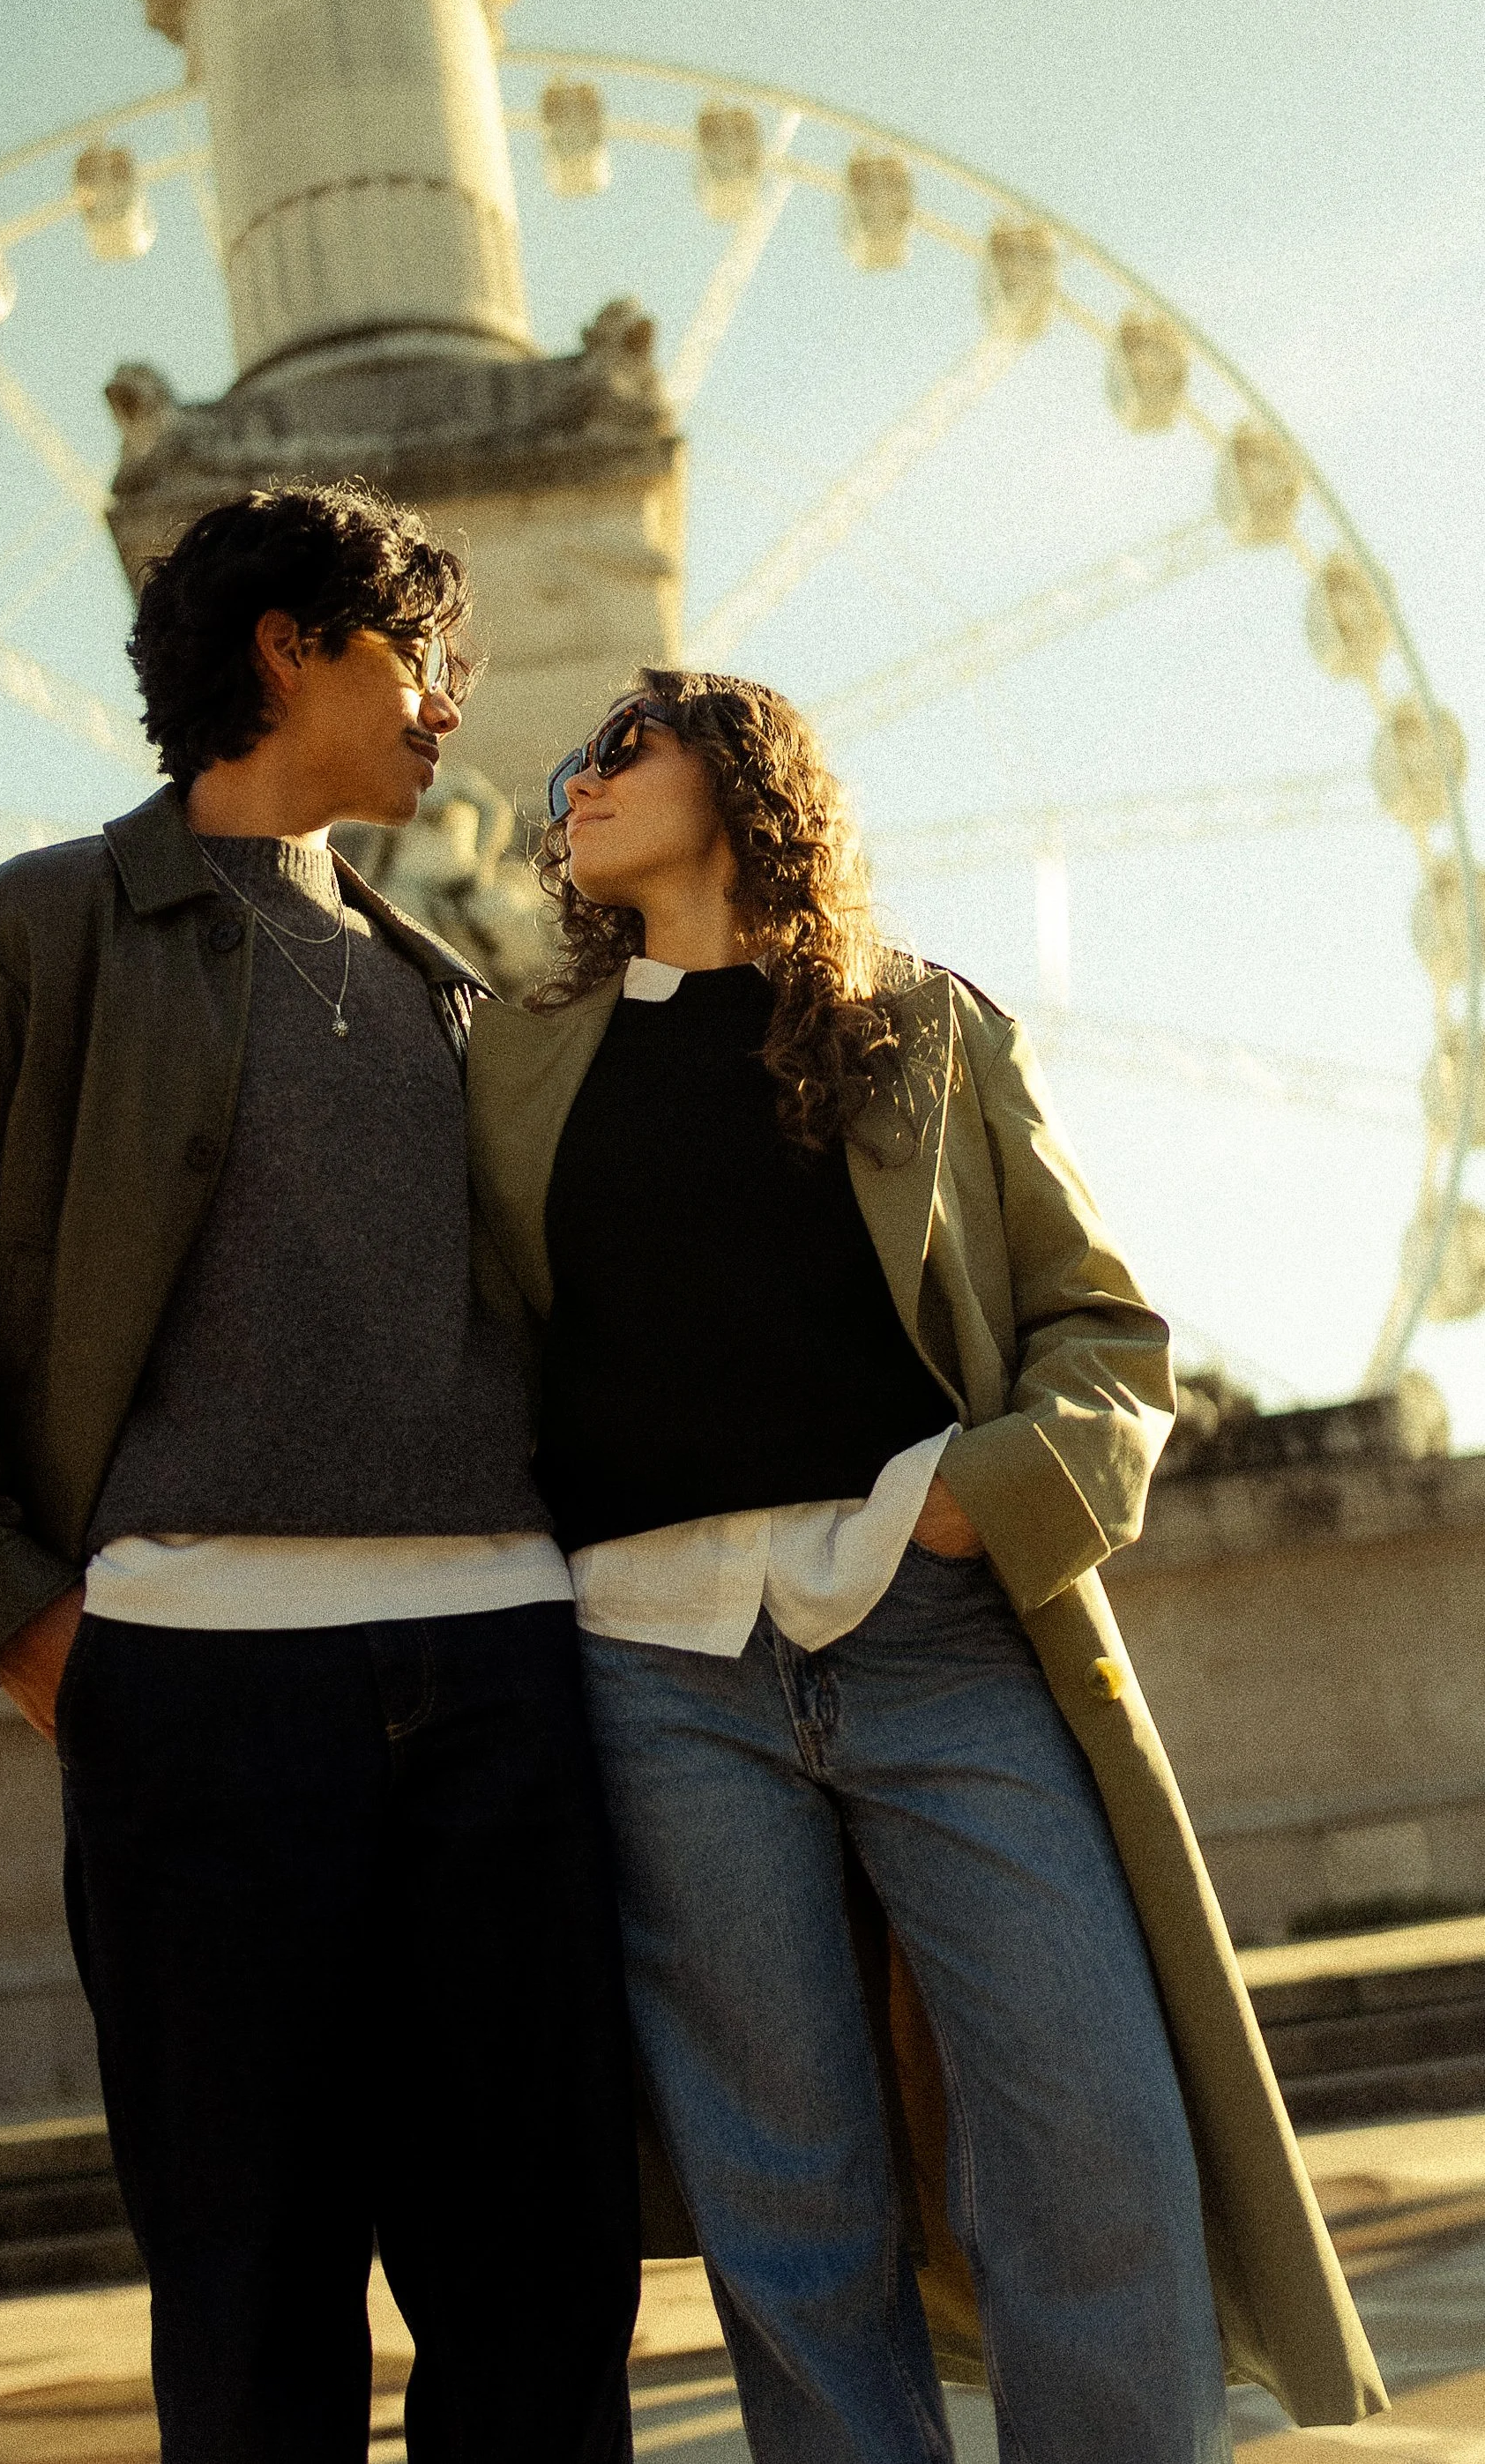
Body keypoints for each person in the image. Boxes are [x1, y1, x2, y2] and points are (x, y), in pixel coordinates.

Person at [0, 483, 640, 2464]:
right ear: (286, 645)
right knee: (253, 2312)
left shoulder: (452, 987)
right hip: (196, 1693)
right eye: (415, 653)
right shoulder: (31, 935)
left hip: (504, 1680)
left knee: (540, 2293)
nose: (450, 706)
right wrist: (20, 1624)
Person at [465, 669, 1383, 2464]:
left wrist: (975, 1497)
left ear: (740, 773)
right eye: (570, 762)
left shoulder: (924, 1025)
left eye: (619, 747)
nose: (570, 782)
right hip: (655, 1674)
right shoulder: (507, 1059)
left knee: (1093, 2140)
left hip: (937, 1631)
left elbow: (1103, 1335)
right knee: (785, 2198)